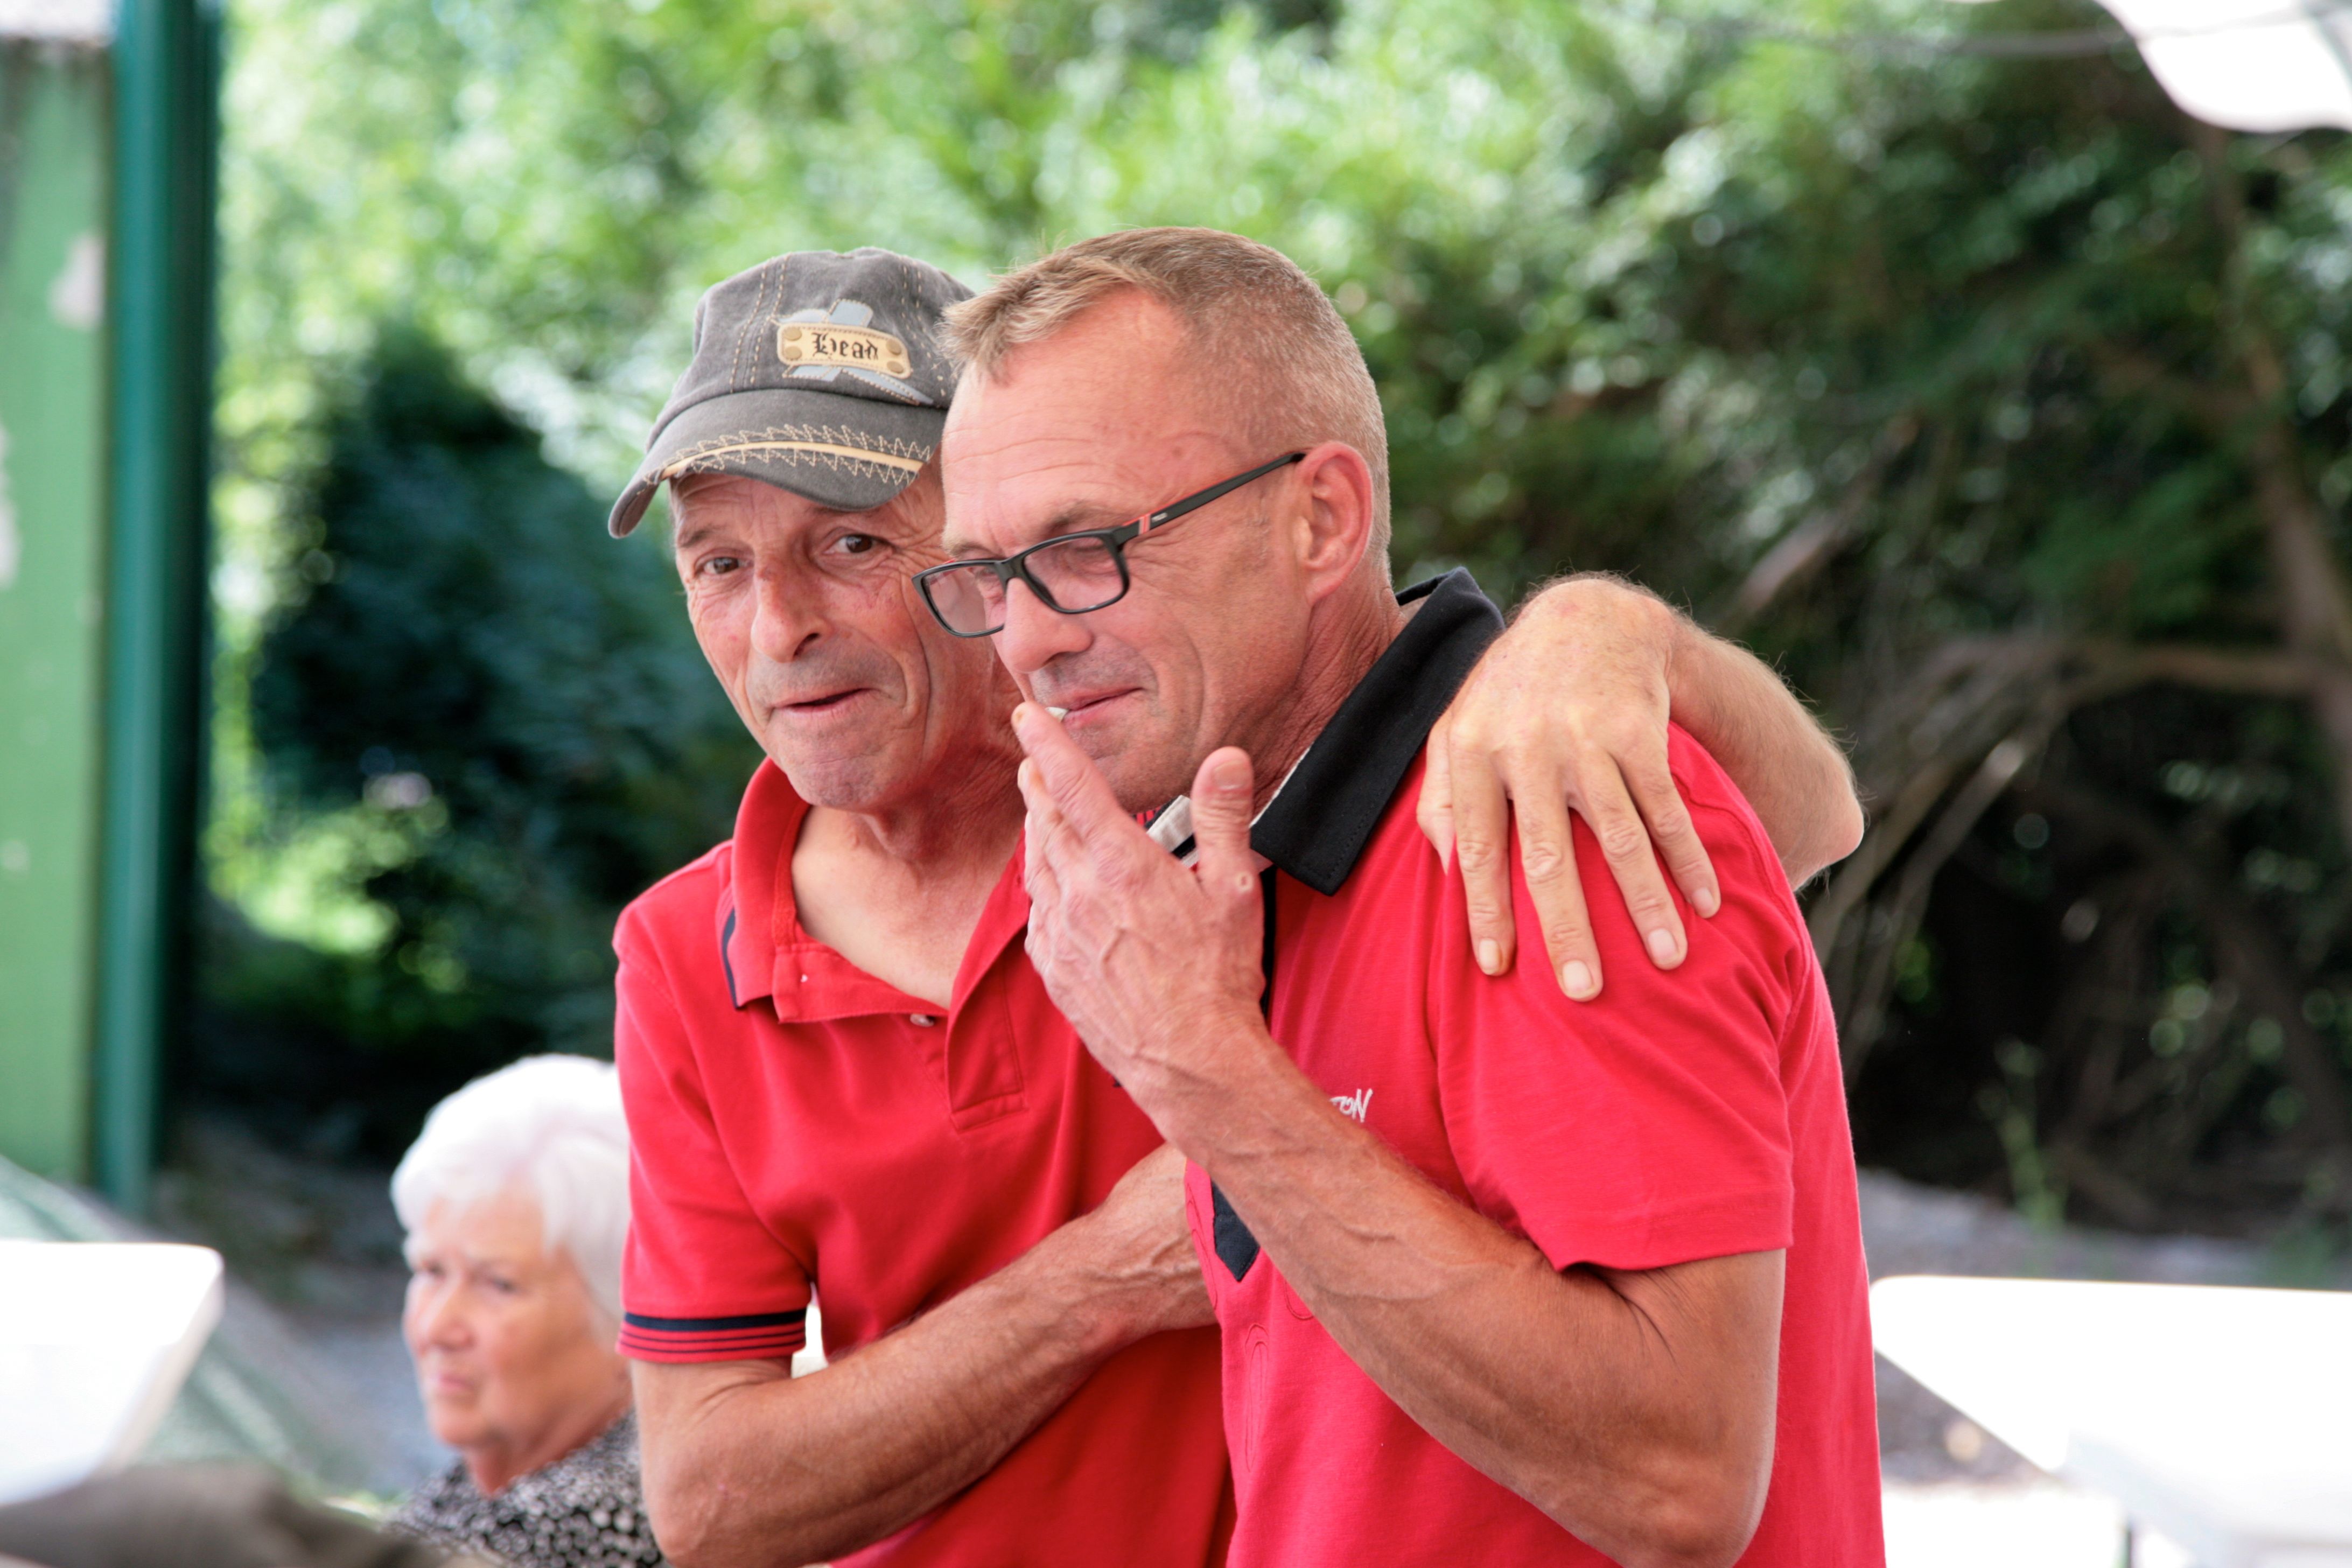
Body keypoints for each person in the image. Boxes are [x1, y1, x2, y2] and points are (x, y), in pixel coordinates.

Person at [603, 249, 1862, 1568]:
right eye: (990, 573)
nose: (1027, 636)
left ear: (1319, 522)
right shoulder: (1228, 822)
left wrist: (1617, 636)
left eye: (1081, 551)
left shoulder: (1524, 801)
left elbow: (1676, 1480)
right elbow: (707, 1503)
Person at [386, 1056, 661, 1568]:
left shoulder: (577, 1526)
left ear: (631, 1316)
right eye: (431, 1271)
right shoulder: (501, 1482)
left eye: (499, 1285)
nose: (436, 1328)